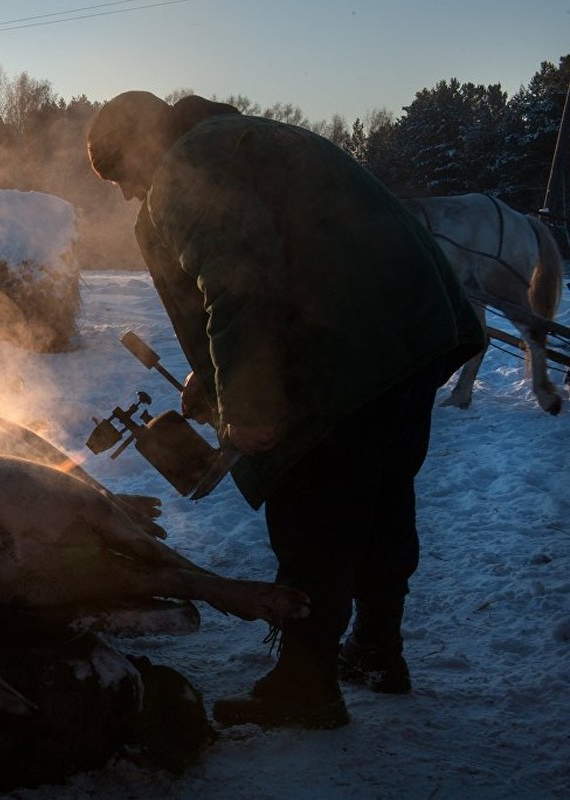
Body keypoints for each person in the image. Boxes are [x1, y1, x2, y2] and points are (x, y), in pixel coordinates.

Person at [87, 91, 484, 728]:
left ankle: (306, 686)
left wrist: (245, 402)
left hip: (345, 350)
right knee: (382, 497)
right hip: (412, 330)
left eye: (125, 179)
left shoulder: (187, 164)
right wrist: (213, 374)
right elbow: (289, 257)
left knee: (311, 512)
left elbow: (238, 275)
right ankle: (378, 651)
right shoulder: (248, 138)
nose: (133, 195)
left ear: (137, 151)